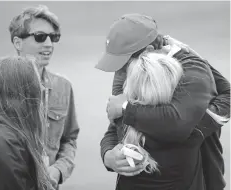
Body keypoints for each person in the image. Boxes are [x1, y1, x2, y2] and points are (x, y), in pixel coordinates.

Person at [95, 14, 230, 190]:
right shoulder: (128, 72)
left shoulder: (191, 73)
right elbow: (117, 125)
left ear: (148, 51)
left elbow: (176, 125)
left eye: (123, 62)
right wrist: (108, 155)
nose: (120, 71)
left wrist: (124, 107)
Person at [8, 5, 80, 188]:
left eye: (53, 38)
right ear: (18, 43)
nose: (49, 44)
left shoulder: (63, 87)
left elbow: (69, 139)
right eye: (40, 37)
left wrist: (58, 170)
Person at [0, 56, 53, 190]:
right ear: (20, 92)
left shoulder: (2, 135)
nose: (42, 88)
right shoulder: (2, 140)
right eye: (36, 82)